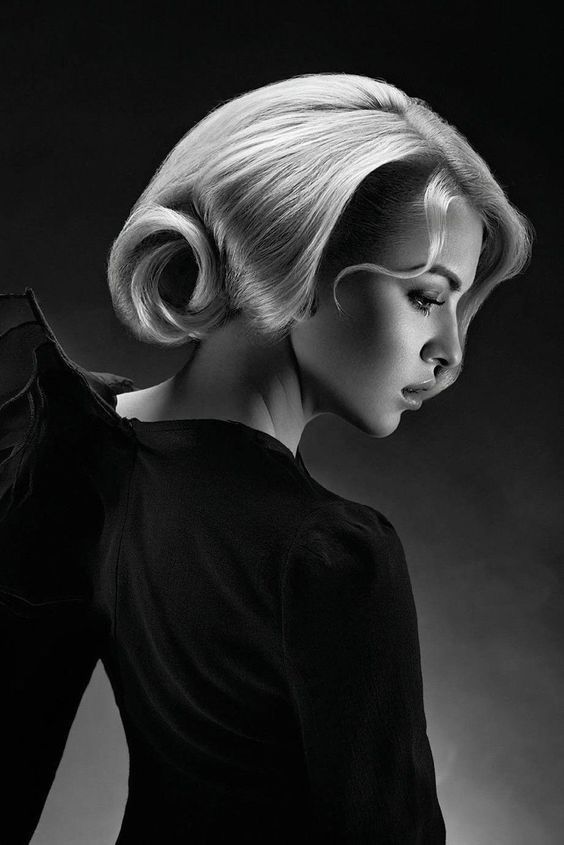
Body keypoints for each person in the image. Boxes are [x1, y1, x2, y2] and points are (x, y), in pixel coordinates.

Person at [0, 72, 532, 843]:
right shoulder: (333, 552)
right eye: (426, 296)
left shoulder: (73, 445)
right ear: (301, 262)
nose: (450, 352)